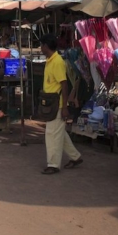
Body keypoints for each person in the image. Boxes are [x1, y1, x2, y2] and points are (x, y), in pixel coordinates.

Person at [40, 33, 83, 175]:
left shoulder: (57, 61)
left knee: (52, 134)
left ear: (46, 46)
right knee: (59, 133)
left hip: (56, 104)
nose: (40, 48)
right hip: (51, 102)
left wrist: (64, 107)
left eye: (41, 45)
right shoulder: (50, 60)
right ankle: (75, 157)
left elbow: (64, 85)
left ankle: (53, 164)